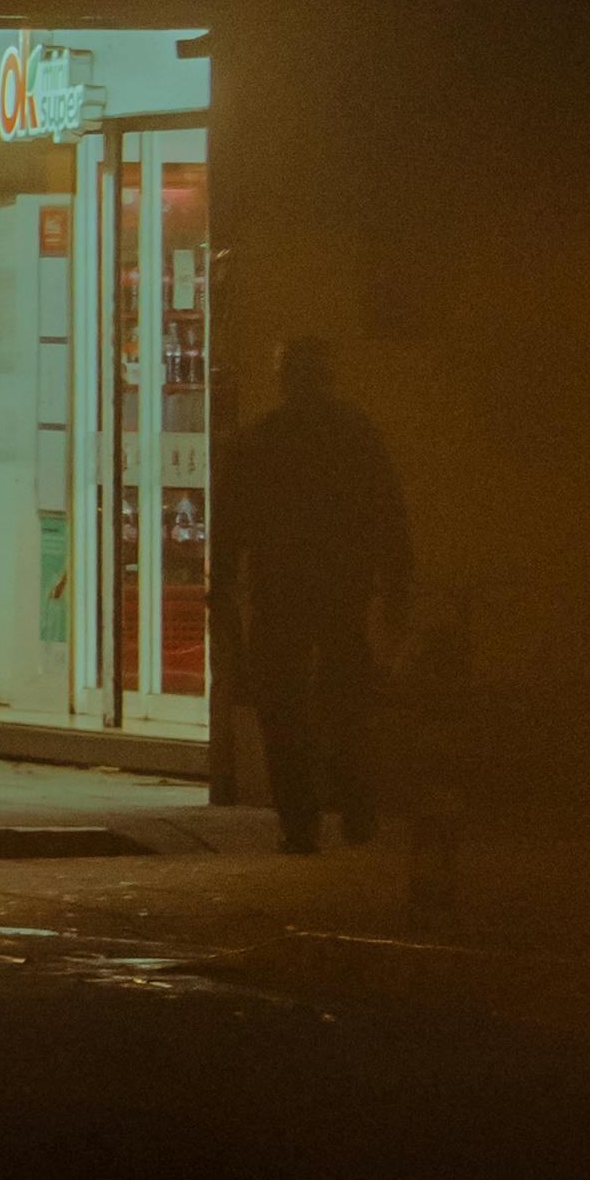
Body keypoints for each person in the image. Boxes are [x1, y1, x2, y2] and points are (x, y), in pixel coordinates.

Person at [213, 331, 411, 855]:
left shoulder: (261, 440)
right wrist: (396, 584)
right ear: (327, 377)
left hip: (280, 590)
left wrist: (223, 587)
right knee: (346, 699)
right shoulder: (355, 435)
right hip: (342, 588)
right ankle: (355, 800)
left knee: (282, 708)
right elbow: (388, 513)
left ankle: (301, 821)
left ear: (283, 379)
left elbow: (230, 522)